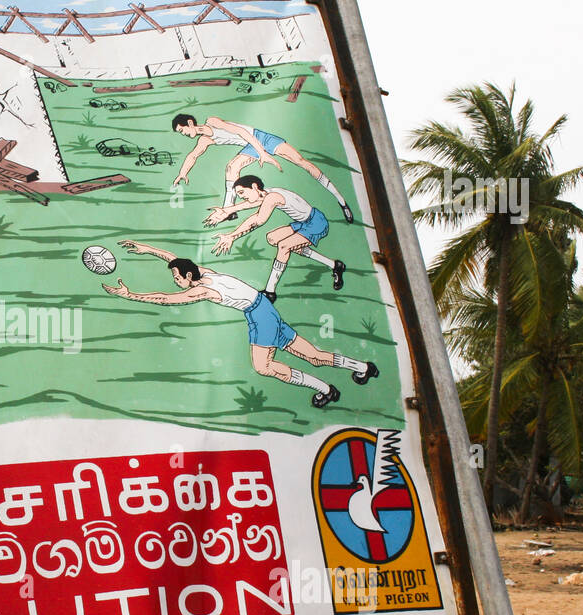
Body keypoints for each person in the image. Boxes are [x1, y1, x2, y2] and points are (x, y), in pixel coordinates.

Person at [102, 240, 377, 408]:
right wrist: (147, 249)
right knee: (313, 356)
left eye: (177, 277)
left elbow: (165, 300)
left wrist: (130, 295)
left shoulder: (202, 289)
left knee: (264, 367)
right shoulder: (204, 273)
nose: (175, 280)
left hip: (259, 316)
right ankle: (363, 368)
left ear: (187, 275)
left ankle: (326, 389)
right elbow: (173, 257)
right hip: (265, 309)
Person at [170, 113, 354, 223]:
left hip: (260, 139)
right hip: (252, 147)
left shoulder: (212, 122)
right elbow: (193, 155)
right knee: (232, 167)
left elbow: (242, 132)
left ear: (190, 123)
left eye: (182, 130)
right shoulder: (204, 140)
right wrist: (182, 173)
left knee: (300, 161)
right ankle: (229, 210)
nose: (184, 134)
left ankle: (341, 200)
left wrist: (263, 152)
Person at [207, 175, 345, 300]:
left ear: (254, 187)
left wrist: (232, 236)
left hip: (316, 223)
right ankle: (334, 265)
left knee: (284, 246)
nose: (241, 196)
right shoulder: (266, 193)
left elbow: (258, 220)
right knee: (273, 238)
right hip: (303, 223)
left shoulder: (272, 197)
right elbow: (250, 203)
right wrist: (227, 210)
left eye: (242, 192)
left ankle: (270, 292)